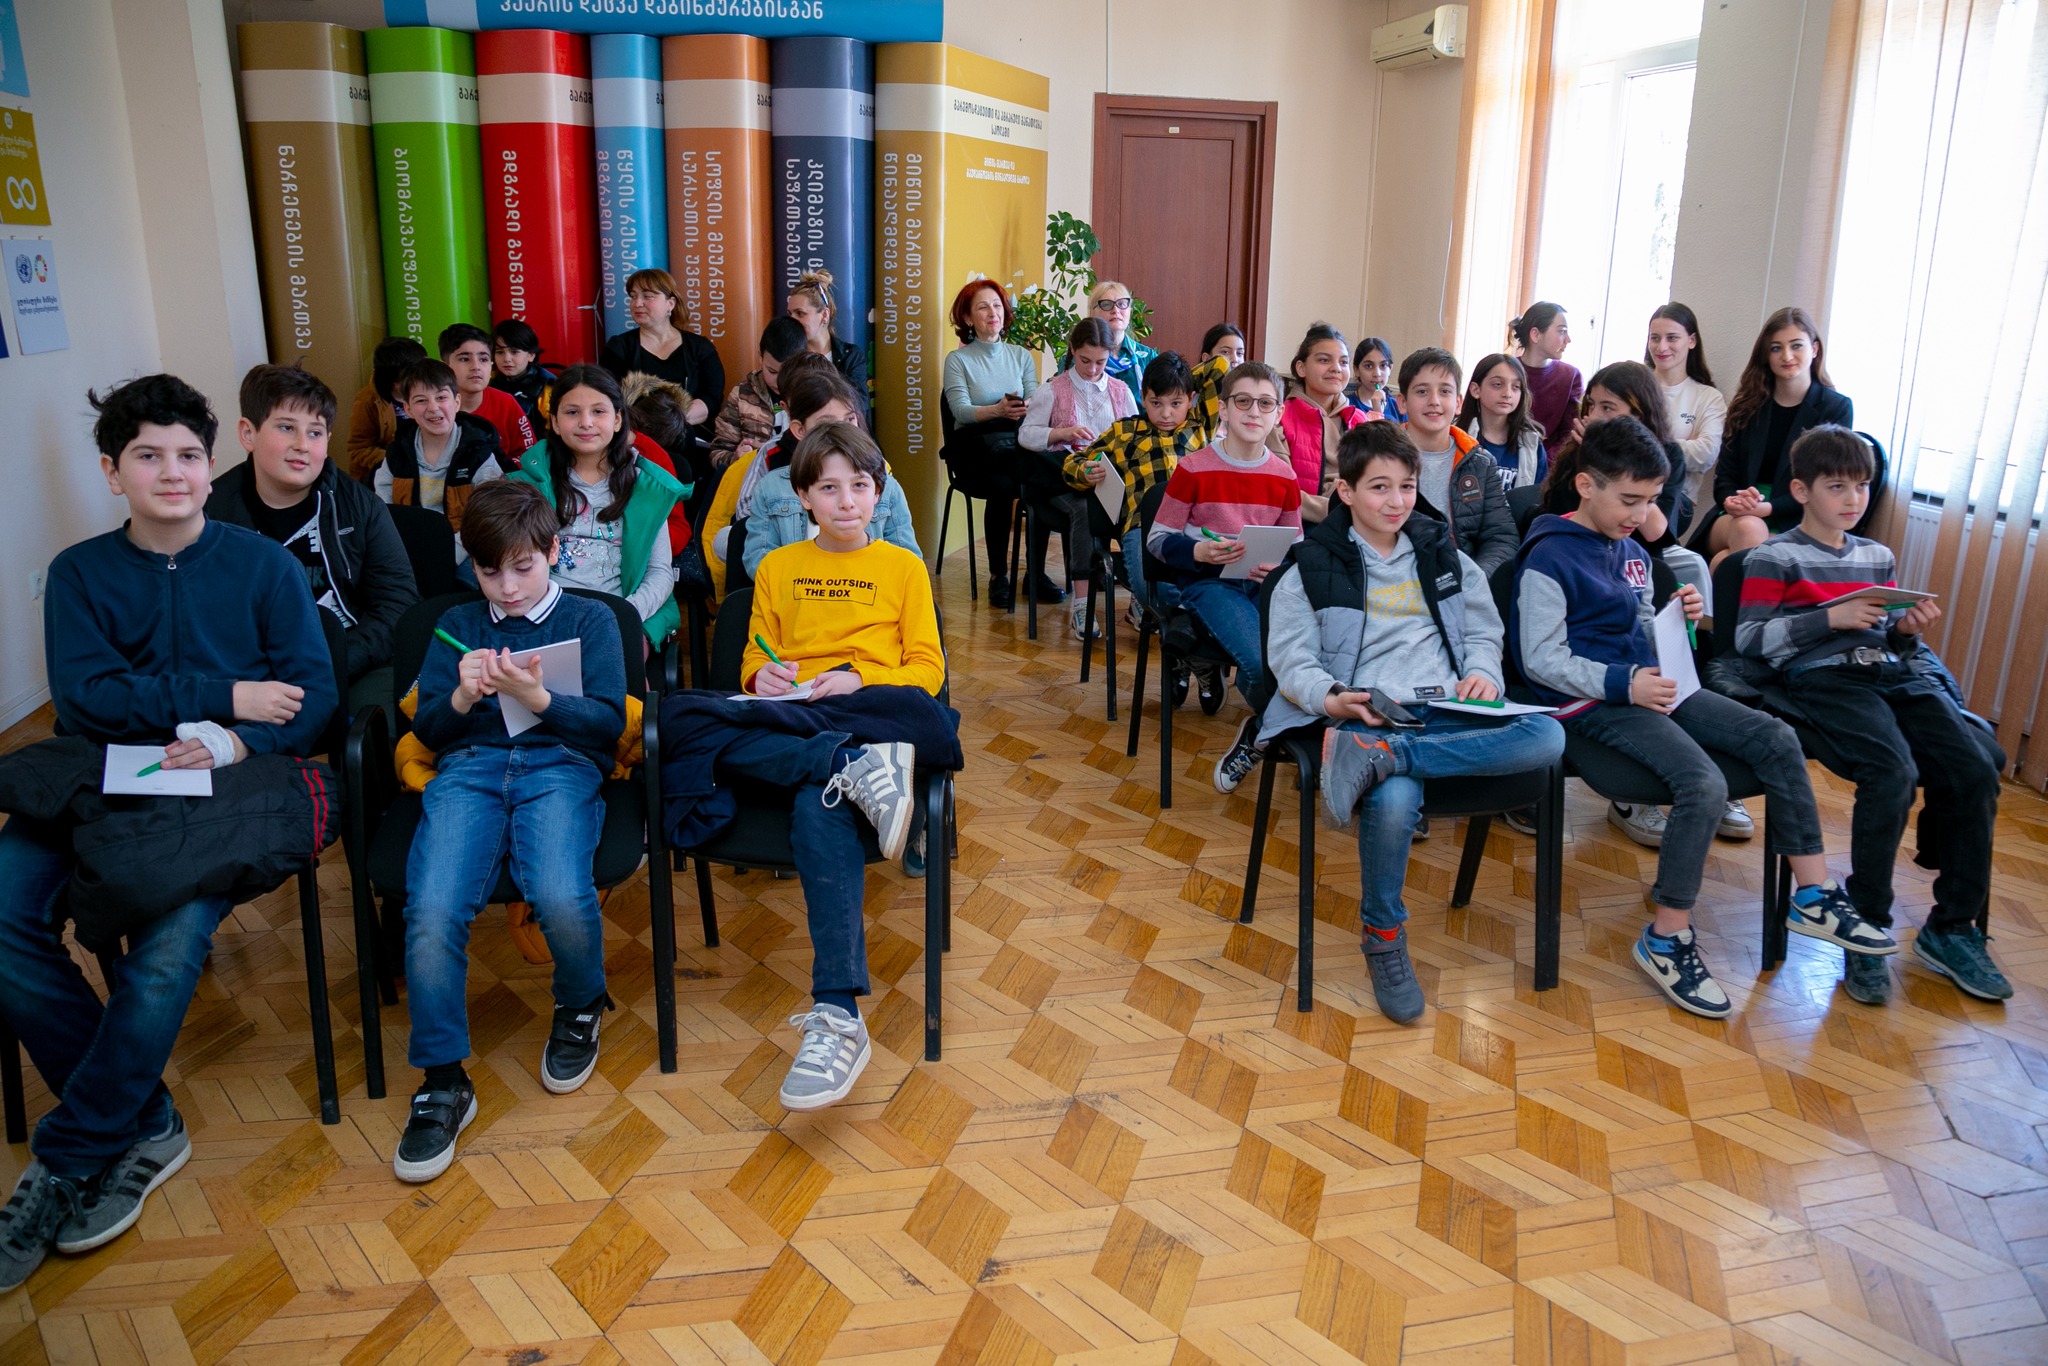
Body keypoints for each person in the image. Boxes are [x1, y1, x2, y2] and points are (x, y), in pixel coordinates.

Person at [0, 374, 336, 1286]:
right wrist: (228, 694)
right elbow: (87, 700)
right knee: (4, 912)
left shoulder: (264, 568)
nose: (173, 472)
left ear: (211, 461)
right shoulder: (79, 573)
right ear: (114, 473)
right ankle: (141, 1117)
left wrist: (236, 737)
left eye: (188, 455)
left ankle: (69, 1153)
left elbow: (313, 697)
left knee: (167, 934)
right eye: (147, 456)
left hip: (224, 788)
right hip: (99, 777)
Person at [1511, 416, 1884, 1018]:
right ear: (1585, 485)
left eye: (1652, 500)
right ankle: (1666, 937)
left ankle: (1813, 893)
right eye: (1629, 499)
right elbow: (1541, 659)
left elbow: (1639, 629)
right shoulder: (1548, 557)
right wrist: (1625, 682)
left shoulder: (1630, 550)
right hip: (1590, 703)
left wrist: (1675, 620)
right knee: (1703, 783)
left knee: (1776, 736)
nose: (1641, 514)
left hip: (1650, 686)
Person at [673, 421, 951, 1110]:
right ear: (802, 496)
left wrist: (857, 677)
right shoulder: (777, 567)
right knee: (681, 718)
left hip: (871, 709)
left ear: (878, 492)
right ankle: (846, 766)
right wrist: (763, 675)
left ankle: (838, 1014)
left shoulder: (903, 567)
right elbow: (754, 658)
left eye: (859, 486)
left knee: (812, 795)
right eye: (828, 488)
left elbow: (927, 671)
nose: (846, 501)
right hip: (799, 716)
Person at [1263, 420, 1565, 1023]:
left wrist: (1484, 672)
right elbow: (1291, 659)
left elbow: (1483, 630)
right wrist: (1332, 699)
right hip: (1370, 712)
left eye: (1406, 486)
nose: (1396, 501)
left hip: (1447, 711)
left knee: (1548, 735)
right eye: (1379, 487)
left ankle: (1388, 759)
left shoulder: (1440, 552)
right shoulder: (1310, 566)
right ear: (1345, 491)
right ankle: (1383, 935)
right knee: (1397, 801)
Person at [394, 479, 627, 1182]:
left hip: (561, 766)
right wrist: (462, 696)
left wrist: (540, 698)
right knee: (432, 910)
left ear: (553, 551)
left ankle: (581, 1002)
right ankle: (442, 1077)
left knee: (558, 891)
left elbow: (608, 724)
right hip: (469, 770)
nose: (508, 587)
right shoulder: (458, 623)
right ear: (472, 565)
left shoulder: (590, 619)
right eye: (490, 571)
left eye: (523, 567)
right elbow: (429, 728)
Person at [1735, 426, 2011, 1004]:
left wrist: (1904, 631)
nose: (1854, 499)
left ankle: (1951, 927)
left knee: (1974, 767)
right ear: (1801, 491)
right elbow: (1749, 640)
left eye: (1861, 486)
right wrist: (1828, 619)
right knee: (1891, 774)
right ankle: (1865, 926)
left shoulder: (1876, 556)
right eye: (1837, 486)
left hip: (1892, 674)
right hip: (1826, 679)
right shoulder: (1773, 556)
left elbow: (1891, 638)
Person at [207, 364, 418, 714]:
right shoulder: (210, 514)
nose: (302, 446)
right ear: (248, 433)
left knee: (372, 730)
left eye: (315, 432)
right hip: (253, 675)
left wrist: (333, 661)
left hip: (353, 662)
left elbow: (398, 603)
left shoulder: (360, 505)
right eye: (286, 427)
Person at [1146, 361, 1301, 793]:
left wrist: (1281, 567)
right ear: (1224, 409)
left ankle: (1262, 732)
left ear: (1279, 413)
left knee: (1298, 658)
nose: (1254, 411)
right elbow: (1157, 540)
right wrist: (1198, 551)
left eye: (1265, 403)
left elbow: (1295, 545)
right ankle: (1291, 736)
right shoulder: (1194, 468)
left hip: (1263, 586)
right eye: (1243, 401)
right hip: (1209, 584)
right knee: (1260, 662)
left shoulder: (1285, 476)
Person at [508, 365, 683, 648]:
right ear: (554, 422)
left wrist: (625, 615)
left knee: (621, 656)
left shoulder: (646, 487)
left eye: (598, 411)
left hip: (623, 612)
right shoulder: (527, 486)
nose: (586, 422)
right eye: (572, 412)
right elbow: (512, 566)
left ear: (618, 420)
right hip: (546, 615)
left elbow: (659, 572)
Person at [1063, 351, 1234, 627]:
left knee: (1215, 586)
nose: (1165, 413)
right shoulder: (1126, 431)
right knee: (1154, 593)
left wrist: (1179, 376)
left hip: (1192, 526)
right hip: (1142, 527)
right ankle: (1184, 624)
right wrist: (1085, 471)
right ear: (1143, 398)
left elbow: (1221, 366)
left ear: (1191, 399)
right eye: (1156, 403)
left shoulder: (1200, 424)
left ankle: (1188, 630)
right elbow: (1073, 462)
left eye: (1176, 403)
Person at [1703, 306, 1852, 566]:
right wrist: (1733, 501)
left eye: (1796, 346)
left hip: (1797, 519)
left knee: (1723, 562)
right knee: (1749, 529)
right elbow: (1725, 476)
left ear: (1814, 349)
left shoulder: (1835, 408)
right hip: (1738, 516)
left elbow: (1826, 486)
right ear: (1766, 355)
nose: (1787, 356)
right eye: (1776, 348)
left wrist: (1769, 508)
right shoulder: (1746, 405)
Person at [1021, 316, 1139, 641]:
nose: (1092, 369)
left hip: (1107, 481)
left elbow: (1133, 439)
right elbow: (1025, 435)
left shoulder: (1121, 392)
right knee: (1085, 509)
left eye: (1101, 362)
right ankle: (1082, 605)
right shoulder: (1053, 390)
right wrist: (1061, 433)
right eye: (1085, 360)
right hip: (1061, 481)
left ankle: (1139, 599)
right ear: (1072, 350)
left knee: (1138, 506)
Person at [743, 367, 919, 580]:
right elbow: (760, 562)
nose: (842, 430)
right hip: (799, 596)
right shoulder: (771, 488)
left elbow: (907, 562)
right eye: (827, 423)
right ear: (799, 429)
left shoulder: (886, 485)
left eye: (850, 419)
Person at [941, 278, 1042, 610]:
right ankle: (999, 575)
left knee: (1042, 477)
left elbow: (1036, 400)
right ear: (968, 318)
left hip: (1015, 439)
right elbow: (960, 411)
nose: (992, 312)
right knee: (1005, 484)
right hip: (974, 446)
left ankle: (1036, 574)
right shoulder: (958, 360)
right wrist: (997, 410)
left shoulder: (1021, 356)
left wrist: (1025, 406)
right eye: (983, 307)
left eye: (997, 305)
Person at [1398, 347, 1517, 576]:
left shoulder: (1480, 462)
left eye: (1445, 391)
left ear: (1459, 402)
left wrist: (1473, 580)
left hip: (1463, 577)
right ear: (1402, 402)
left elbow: (1501, 537)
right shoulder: (1379, 457)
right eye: (1422, 391)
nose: (1434, 401)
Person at [376, 358, 507, 565]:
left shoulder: (477, 452)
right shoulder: (398, 454)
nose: (433, 407)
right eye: (421, 400)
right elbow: (384, 510)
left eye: (441, 397)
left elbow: (489, 513)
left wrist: (449, 554)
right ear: (408, 409)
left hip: (466, 548)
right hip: (409, 549)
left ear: (457, 402)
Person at [599, 267, 723, 438]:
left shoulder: (700, 347)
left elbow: (712, 398)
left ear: (670, 304)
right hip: (636, 437)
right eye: (633, 296)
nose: (637, 303)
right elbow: (608, 398)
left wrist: (671, 422)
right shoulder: (619, 347)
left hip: (690, 435)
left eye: (647, 296)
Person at [1278, 323, 1375, 523]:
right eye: (1324, 360)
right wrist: (1341, 512)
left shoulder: (1359, 420)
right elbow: (1283, 490)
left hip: (1357, 521)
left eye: (1343, 362)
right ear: (1301, 368)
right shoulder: (1281, 418)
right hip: (1304, 524)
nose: (1336, 368)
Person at [1646, 303, 1725, 541]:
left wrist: (1645, 442)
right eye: (1655, 338)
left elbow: (1705, 455)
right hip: (1622, 485)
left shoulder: (1708, 397)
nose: (1662, 347)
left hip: (1677, 499)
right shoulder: (1634, 385)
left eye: (1672, 338)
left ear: (1691, 341)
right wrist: (1681, 446)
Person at [709, 316, 810, 472]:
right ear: (760, 357)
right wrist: (735, 458)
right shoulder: (741, 395)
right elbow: (717, 452)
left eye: (789, 372)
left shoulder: (813, 394)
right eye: (772, 371)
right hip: (753, 479)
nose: (779, 381)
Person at [439, 323, 536, 460]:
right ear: (445, 367)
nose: (476, 367)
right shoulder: (434, 406)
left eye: (483, 359)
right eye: (464, 359)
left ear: (491, 365)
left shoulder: (506, 403)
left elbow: (530, 457)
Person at [1456, 353, 1547, 491]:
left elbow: (1539, 495)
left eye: (1516, 387)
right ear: (1476, 390)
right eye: (1497, 385)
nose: (1507, 394)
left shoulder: (1532, 443)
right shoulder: (1455, 436)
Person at [1062, 280, 1158, 407]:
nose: (1116, 310)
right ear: (1092, 312)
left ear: (1130, 311)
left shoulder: (1148, 357)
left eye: (1122, 304)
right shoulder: (1075, 358)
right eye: (1107, 304)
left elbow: (1163, 400)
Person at [787, 268, 870, 411]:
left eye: (800, 313)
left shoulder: (851, 356)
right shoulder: (789, 357)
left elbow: (859, 406)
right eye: (790, 314)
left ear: (824, 315)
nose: (792, 320)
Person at [349, 336, 427, 482]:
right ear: (396, 383)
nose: (425, 375)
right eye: (417, 373)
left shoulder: (431, 389)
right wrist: (396, 458)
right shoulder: (367, 401)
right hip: (388, 475)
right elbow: (358, 450)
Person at [1510, 302, 1582, 447]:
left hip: (1551, 460)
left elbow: (1569, 435)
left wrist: (1541, 458)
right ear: (1535, 335)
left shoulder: (1571, 376)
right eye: (1562, 331)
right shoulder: (1505, 370)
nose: (1568, 340)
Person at [490, 318, 556, 427]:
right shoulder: (488, 380)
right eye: (500, 352)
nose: (506, 359)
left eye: (514, 352)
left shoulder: (546, 388)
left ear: (531, 355)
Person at [1347, 336, 1405, 423]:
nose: (1377, 374)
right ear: (1356, 370)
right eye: (1369, 366)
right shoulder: (1347, 406)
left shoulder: (1399, 407)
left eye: (1383, 365)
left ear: (1390, 369)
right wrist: (1377, 414)